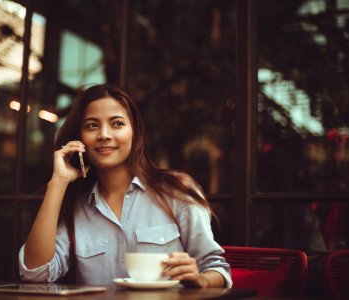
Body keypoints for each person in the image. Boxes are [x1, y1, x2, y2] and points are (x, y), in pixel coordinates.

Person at [18, 84, 232, 288]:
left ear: (134, 132)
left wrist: (201, 280)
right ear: (80, 138)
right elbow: (34, 273)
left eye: (117, 123)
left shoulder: (176, 191)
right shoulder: (76, 207)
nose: (104, 135)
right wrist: (58, 182)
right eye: (92, 125)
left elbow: (217, 269)